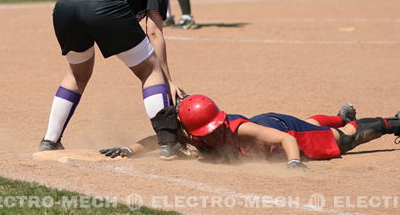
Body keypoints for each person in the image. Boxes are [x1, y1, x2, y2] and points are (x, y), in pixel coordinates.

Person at [39, 0, 185, 160]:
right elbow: (154, 32)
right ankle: (169, 142)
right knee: (150, 70)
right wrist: (168, 80)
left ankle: (50, 140)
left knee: (78, 74)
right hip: (104, 4)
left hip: (66, 3)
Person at [100, 94, 400, 168]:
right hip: (266, 123)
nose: (216, 134)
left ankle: (392, 122)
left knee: (345, 136)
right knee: (307, 121)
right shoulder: (191, 131)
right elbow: (157, 140)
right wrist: (129, 149)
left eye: (218, 128)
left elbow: (284, 139)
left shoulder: (239, 131)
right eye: (210, 131)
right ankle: (334, 116)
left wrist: (294, 163)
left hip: (282, 133)